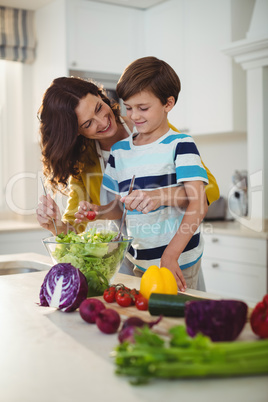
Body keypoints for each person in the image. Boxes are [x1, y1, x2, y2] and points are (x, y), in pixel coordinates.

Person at [74, 56, 212, 292]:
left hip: (179, 260)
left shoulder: (181, 144)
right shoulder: (119, 152)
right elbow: (120, 208)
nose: (134, 116)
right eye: (128, 107)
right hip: (139, 263)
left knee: (175, 320)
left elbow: (199, 203)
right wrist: (97, 212)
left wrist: (170, 256)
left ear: (168, 103)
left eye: (143, 108)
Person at [36, 76, 219, 238]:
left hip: (177, 250)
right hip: (124, 253)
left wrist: (159, 196)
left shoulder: (150, 127)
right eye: (88, 123)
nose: (102, 121)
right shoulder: (84, 162)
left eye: (99, 108)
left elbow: (210, 189)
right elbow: (75, 227)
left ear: (101, 96)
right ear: (75, 132)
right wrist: (54, 224)